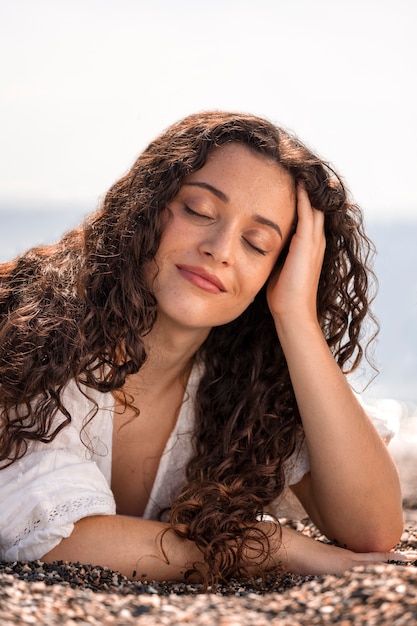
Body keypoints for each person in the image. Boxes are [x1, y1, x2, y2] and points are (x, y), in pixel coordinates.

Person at [0, 111, 404, 585]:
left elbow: (372, 527)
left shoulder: (245, 384)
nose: (221, 248)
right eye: (199, 211)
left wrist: (296, 318)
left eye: (257, 243)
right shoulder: (38, 337)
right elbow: (63, 543)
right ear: (145, 207)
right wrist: (273, 546)